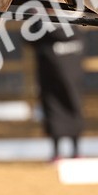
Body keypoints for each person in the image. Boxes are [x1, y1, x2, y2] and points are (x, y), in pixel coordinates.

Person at [30, 23, 85, 160]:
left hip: (56, 80)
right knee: (67, 108)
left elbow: (29, 39)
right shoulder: (73, 26)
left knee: (58, 109)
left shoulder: (42, 26)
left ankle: (61, 152)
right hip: (67, 79)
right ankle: (70, 151)